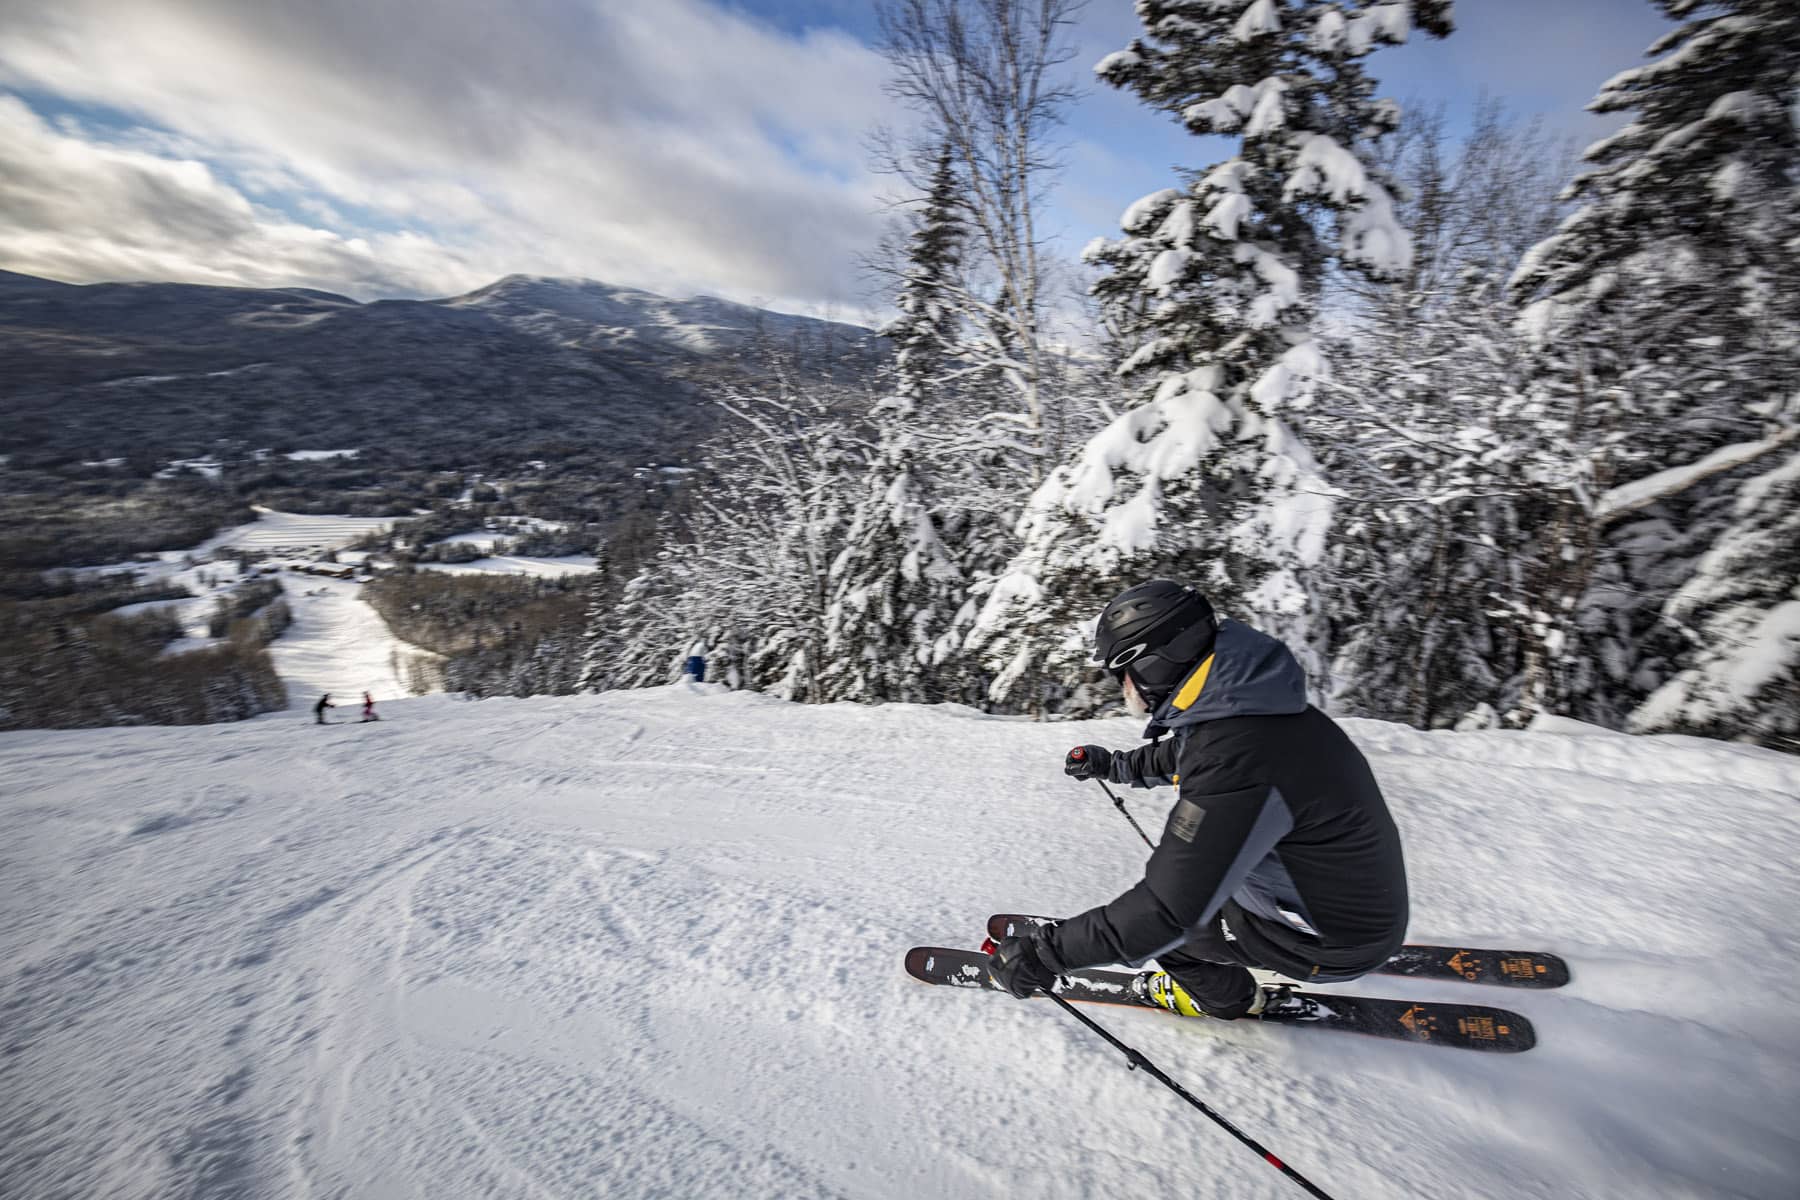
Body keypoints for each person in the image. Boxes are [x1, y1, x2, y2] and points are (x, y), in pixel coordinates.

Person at [986, 580, 1409, 1020]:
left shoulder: (1239, 756)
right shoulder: (1253, 709)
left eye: (1122, 672)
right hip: (1351, 911)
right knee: (1184, 892)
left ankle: (1233, 1000)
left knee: (1170, 939)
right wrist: (1111, 765)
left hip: (1329, 941)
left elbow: (1166, 913)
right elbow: (1184, 754)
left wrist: (1046, 955)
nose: (1123, 687)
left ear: (1152, 664)